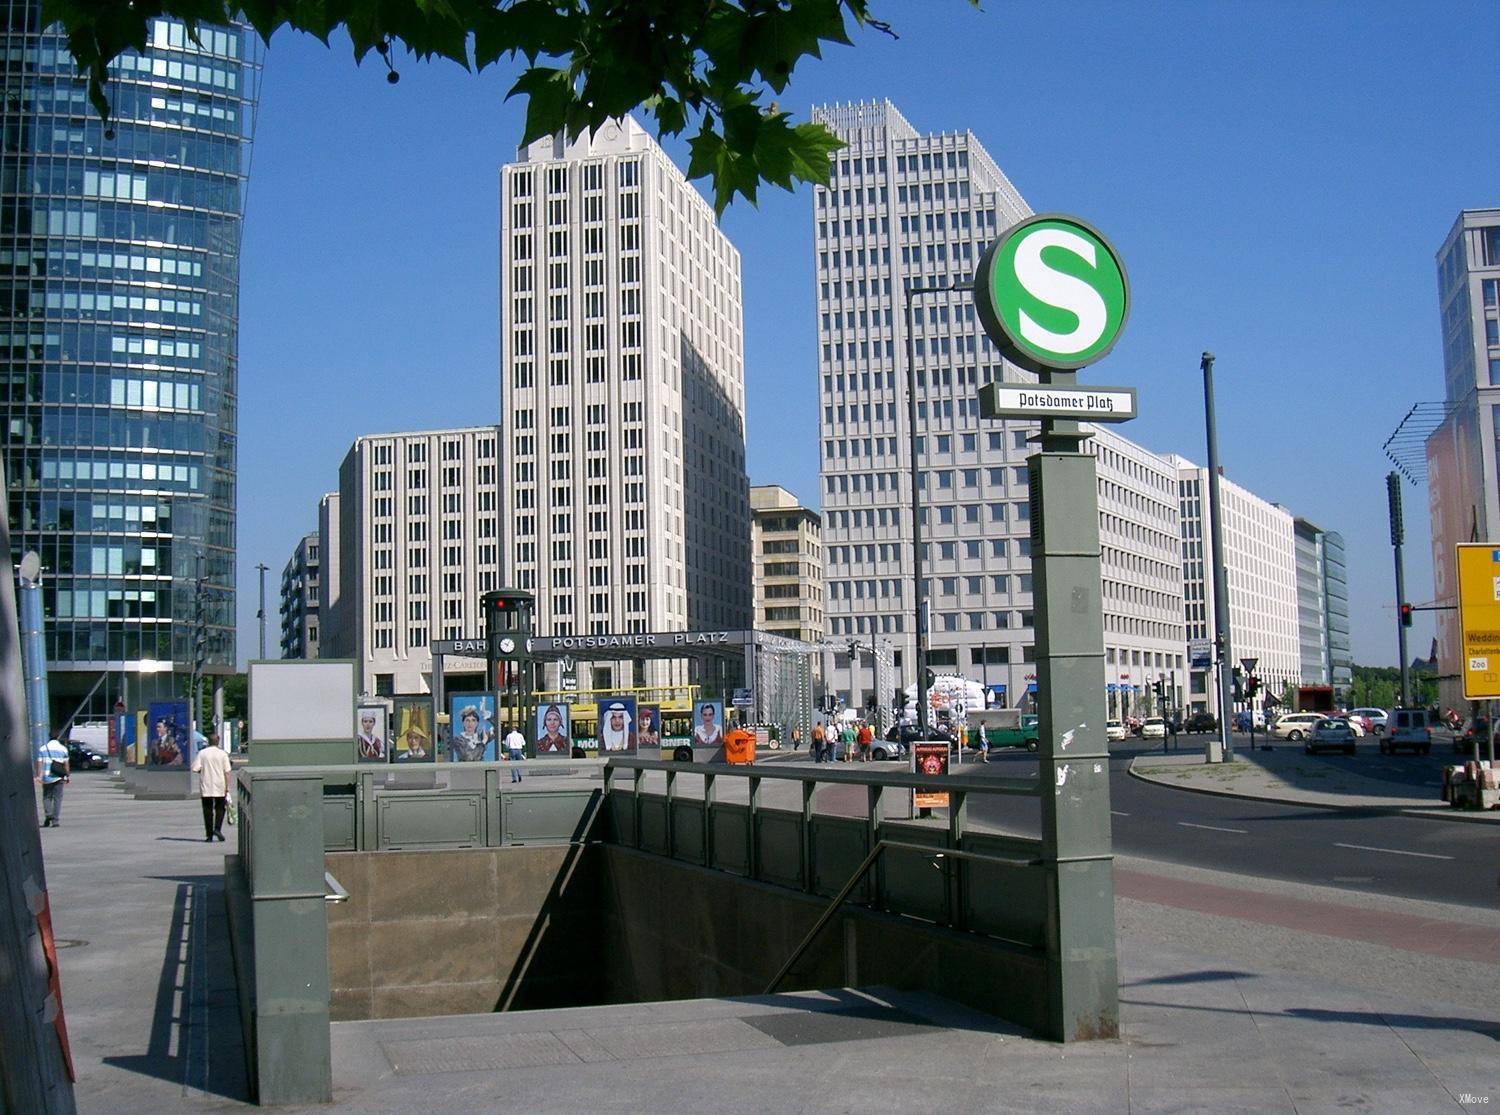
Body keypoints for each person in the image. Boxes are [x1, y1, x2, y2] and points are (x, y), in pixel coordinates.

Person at [191, 732, 233, 841]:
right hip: (220, 785)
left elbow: (195, 768)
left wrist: (204, 771)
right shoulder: (223, 754)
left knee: (207, 810)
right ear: (218, 741)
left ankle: (209, 835)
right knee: (220, 808)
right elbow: (227, 772)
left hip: (206, 785)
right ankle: (217, 829)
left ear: (208, 741)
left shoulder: (202, 753)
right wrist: (228, 787)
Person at [36, 729, 69, 828]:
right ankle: (55, 820)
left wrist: (38, 776)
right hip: (59, 776)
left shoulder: (43, 749)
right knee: (57, 798)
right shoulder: (63, 749)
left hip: (46, 777)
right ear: (58, 737)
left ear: (49, 736)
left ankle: (48, 814)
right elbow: (66, 764)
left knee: (46, 797)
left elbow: (39, 763)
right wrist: (67, 776)